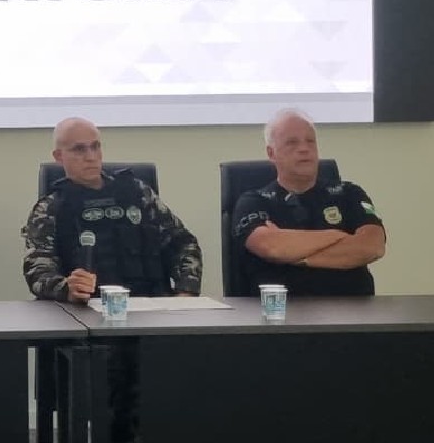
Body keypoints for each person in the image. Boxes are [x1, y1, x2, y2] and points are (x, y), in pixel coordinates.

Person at [22, 117, 202, 443]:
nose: (91, 156)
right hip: (92, 323)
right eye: (79, 149)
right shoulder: (52, 207)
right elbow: (37, 269)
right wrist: (66, 287)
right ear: (59, 157)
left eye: (95, 146)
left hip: (153, 314)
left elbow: (182, 242)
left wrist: (187, 292)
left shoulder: (136, 192)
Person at [232, 108, 385, 295]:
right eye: (292, 143)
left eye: (310, 141)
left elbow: (372, 246)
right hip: (281, 315)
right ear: (271, 153)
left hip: (353, 315)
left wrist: (295, 257)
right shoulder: (253, 201)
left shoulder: (349, 193)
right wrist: (338, 236)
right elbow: (272, 247)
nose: (304, 149)